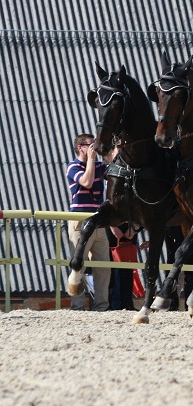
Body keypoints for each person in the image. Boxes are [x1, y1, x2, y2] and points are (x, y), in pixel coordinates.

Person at [66, 133, 110, 311]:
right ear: (80, 148)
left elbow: (114, 170)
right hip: (79, 220)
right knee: (79, 263)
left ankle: (102, 305)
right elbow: (87, 182)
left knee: (103, 266)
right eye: (90, 145)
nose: (94, 148)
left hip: (98, 220)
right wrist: (91, 160)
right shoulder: (72, 167)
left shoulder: (99, 165)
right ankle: (77, 306)